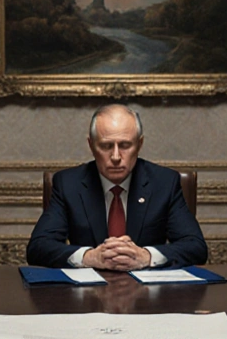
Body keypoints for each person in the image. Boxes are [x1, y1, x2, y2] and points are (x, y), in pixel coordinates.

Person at [25, 104, 208, 270]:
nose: (115, 156)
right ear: (91, 145)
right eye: (105, 146)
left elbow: (195, 247)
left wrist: (146, 256)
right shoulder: (68, 183)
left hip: (149, 296)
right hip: (86, 296)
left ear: (139, 144)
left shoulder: (164, 182)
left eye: (125, 145)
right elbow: (38, 247)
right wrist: (89, 257)